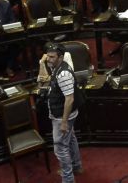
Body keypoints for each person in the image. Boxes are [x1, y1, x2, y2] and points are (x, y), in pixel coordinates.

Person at [38, 42, 83, 182]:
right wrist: (42, 63)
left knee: (60, 148)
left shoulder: (63, 73)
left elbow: (69, 99)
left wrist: (64, 122)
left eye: (52, 57)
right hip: (63, 114)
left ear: (61, 57)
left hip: (62, 117)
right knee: (70, 139)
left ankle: (68, 179)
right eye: (48, 56)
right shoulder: (57, 67)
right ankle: (76, 166)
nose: (49, 59)